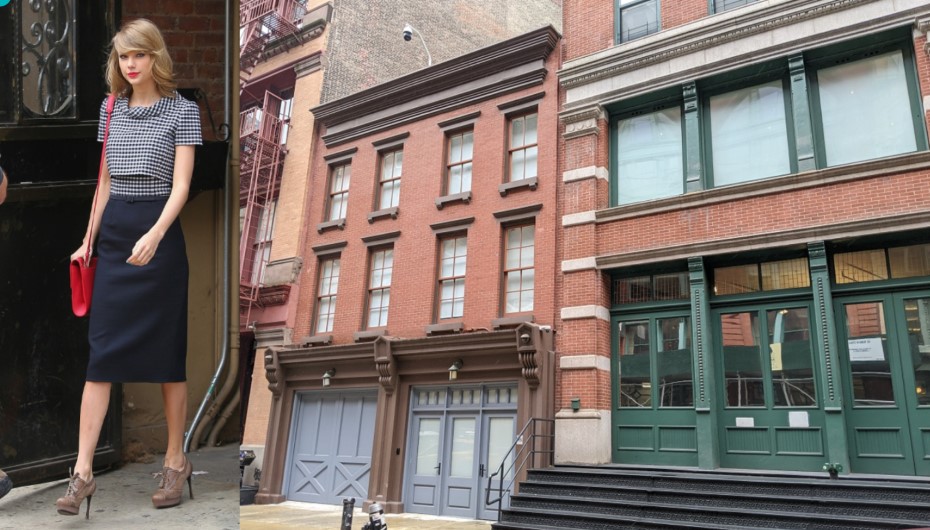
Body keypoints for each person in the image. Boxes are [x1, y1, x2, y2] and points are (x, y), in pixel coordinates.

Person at [57, 18, 201, 519]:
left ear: (155, 56)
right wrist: (88, 240)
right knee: (101, 357)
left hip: (158, 231)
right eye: (122, 57)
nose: (130, 65)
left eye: (138, 55)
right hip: (116, 235)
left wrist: (156, 234)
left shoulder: (183, 111)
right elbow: (105, 181)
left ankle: (175, 460)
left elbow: (182, 186)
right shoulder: (110, 108)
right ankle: (81, 473)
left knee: (167, 357)